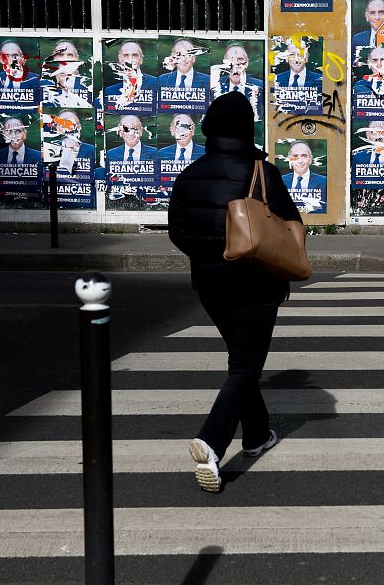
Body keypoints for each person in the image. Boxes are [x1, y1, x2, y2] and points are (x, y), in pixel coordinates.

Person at [168, 91, 303, 493]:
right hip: (255, 283)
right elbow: (290, 226)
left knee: (242, 362)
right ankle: (211, 443)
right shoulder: (263, 172)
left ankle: (258, 435)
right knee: (245, 368)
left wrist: (210, 255)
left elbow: (179, 232)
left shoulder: (190, 174)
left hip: (210, 286)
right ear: (248, 130)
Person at [212, 44, 263, 120]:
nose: (235, 65)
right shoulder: (215, 86)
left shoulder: (261, 87)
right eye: (230, 61)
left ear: (247, 63)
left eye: (240, 60)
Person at [103, 40, 159, 107]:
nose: (130, 60)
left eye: (134, 55)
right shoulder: (109, 91)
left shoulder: (156, 84)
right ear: (120, 59)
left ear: (141, 59)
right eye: (126, 55)